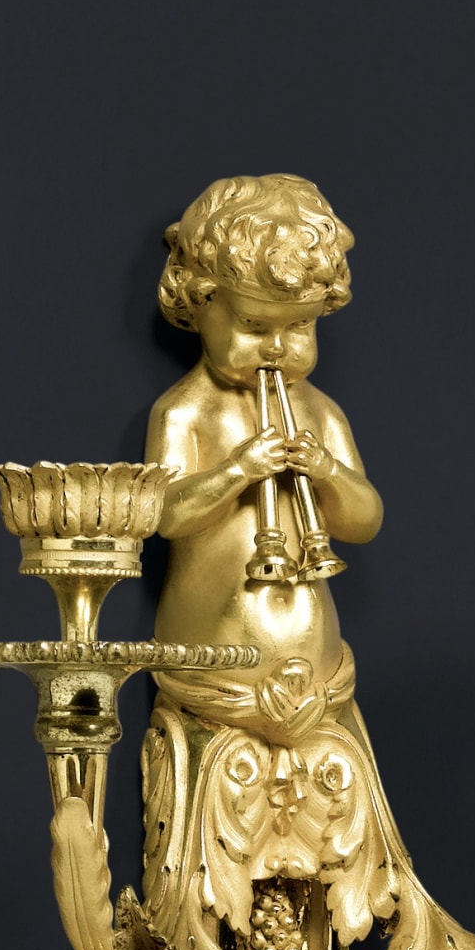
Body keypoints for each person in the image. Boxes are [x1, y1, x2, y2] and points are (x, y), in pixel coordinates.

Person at [146, 175, 382, 699]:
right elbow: (165, 517)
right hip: (212, 672)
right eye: (254, 326)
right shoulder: (184, 412)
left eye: (300, 327)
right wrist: (238, 470)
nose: (277, 346)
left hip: (319, 675)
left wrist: (327, 471)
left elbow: (365, 521)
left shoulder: (321, 412)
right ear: (201, 302)